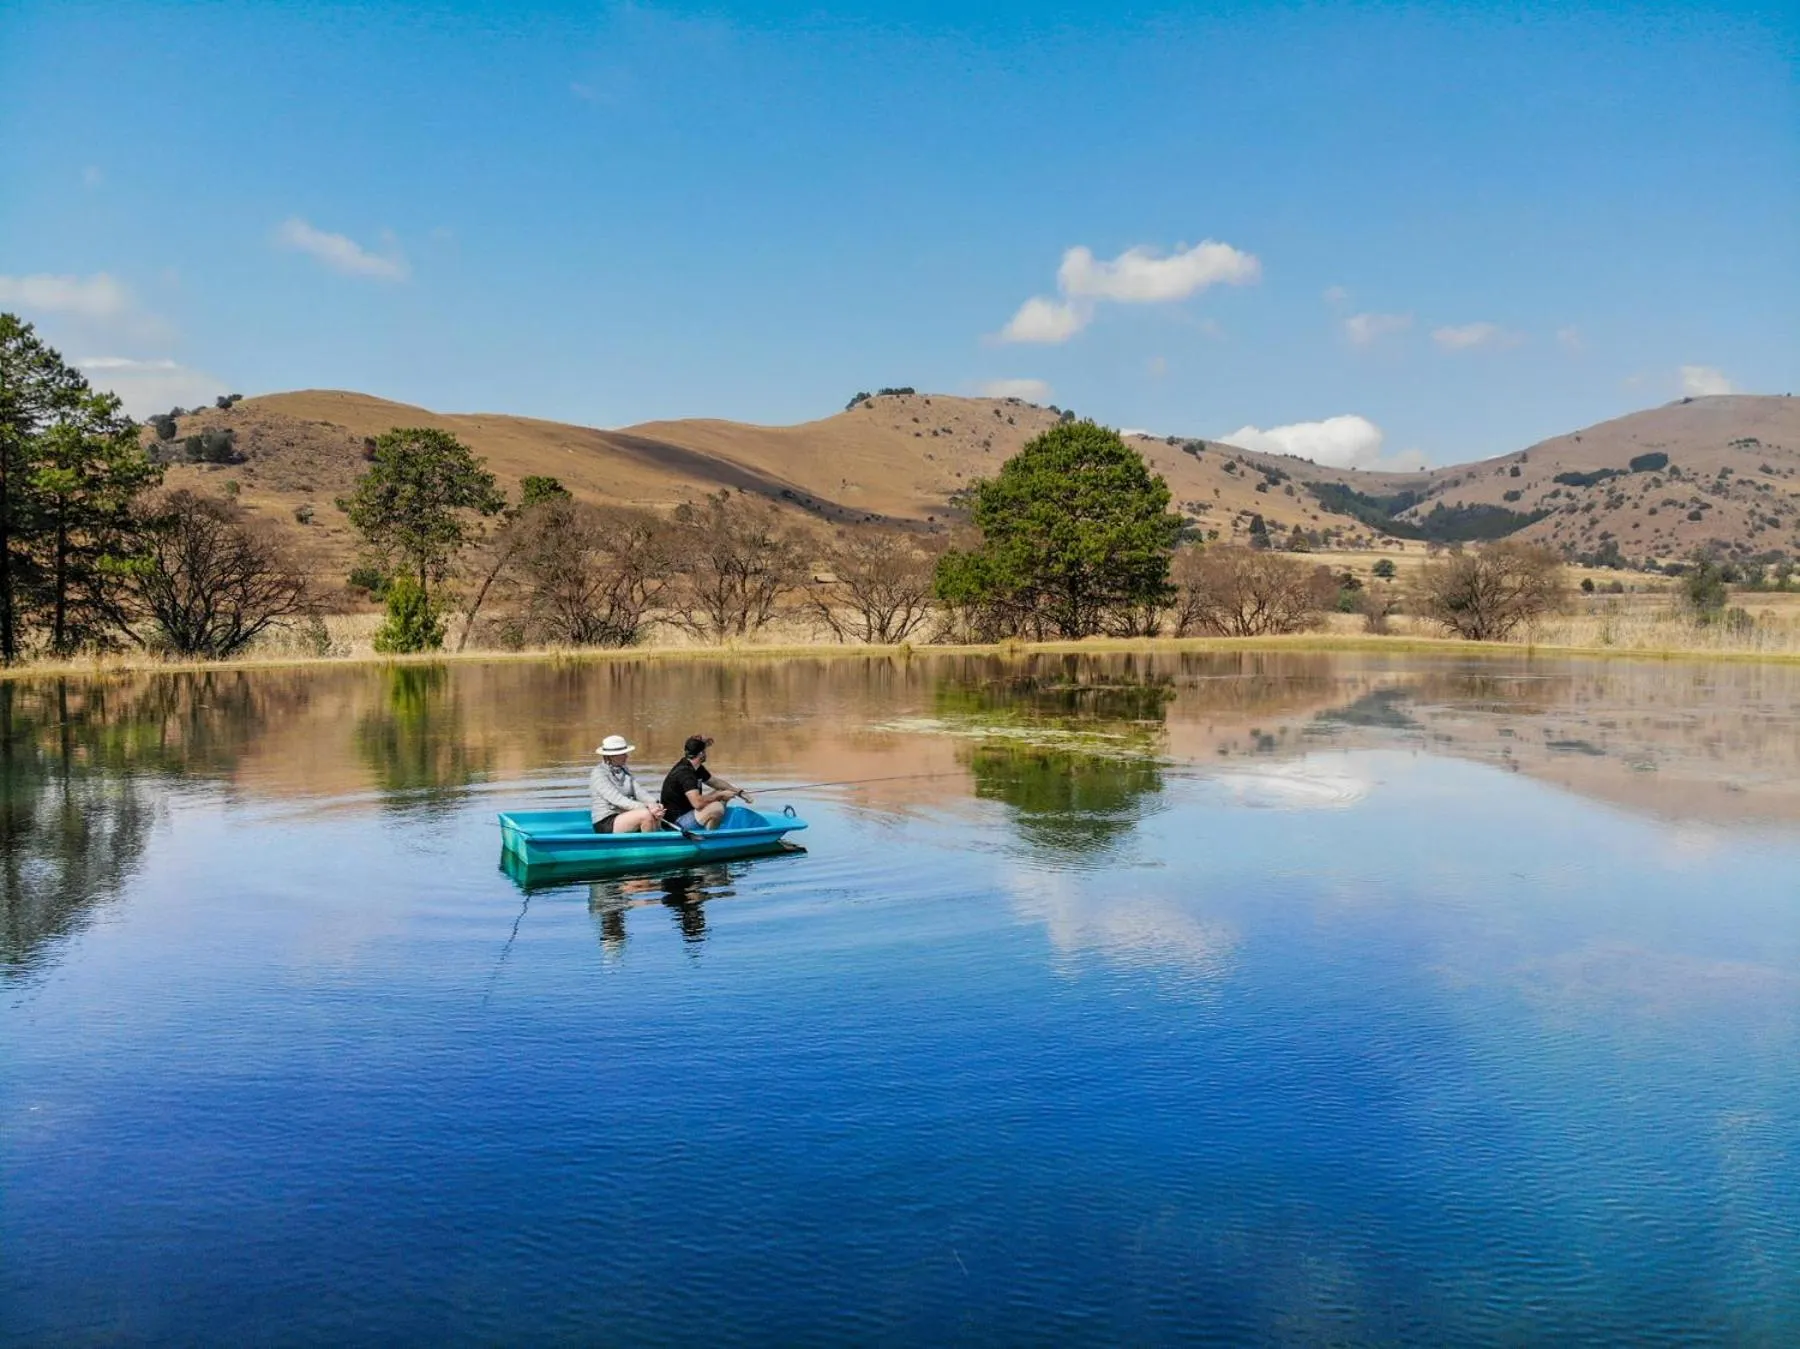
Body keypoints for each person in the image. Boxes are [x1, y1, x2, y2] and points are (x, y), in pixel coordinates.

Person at [659, 734, 753, 831]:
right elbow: (697, 803)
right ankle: (710, 837)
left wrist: (738, 792)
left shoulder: (696, 767)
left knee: (722, 790)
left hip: (689, 813)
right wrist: (720, 795)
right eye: (705, 751)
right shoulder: (685, 774)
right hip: (677, 823)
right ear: (701, 754)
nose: (706, 753)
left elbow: (715, 782)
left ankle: (711, 830)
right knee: (716, 808)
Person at [590, 734, 665, 834]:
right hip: (606, 821)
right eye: (623, 754)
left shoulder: (624, 769)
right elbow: (618, 800)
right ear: (611, 756)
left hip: (625, 815)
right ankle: (648, 847)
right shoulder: (598, 774)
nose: (627, 756)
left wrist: (654, 804)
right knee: (646, 815)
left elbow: (639, 792)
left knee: (656, 810)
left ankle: (656, 840)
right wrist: (647, 807)